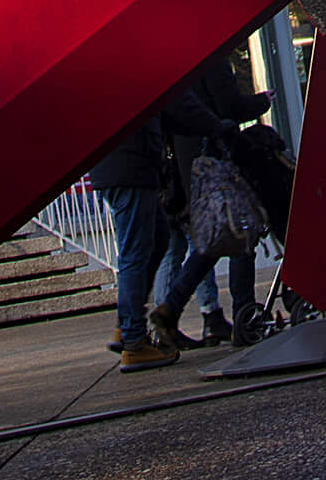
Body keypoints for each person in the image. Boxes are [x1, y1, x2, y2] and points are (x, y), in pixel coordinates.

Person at [88, 85, 234, 372]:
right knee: (136, 253)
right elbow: (176, 101)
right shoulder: (137, 62)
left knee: (158, 239)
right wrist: (216, 126)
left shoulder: (118, 64)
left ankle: (127, 326)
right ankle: (133, 341)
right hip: (130, 163)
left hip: (123, 162)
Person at [149, 42, 272, 348]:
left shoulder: (174, 61)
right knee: (239, 230)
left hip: (184, 161)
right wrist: (260, 103)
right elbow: (228, 105)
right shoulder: (211, 56)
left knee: (208, 238)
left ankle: (180, 307)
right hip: (215, 155)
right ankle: (242, 312)